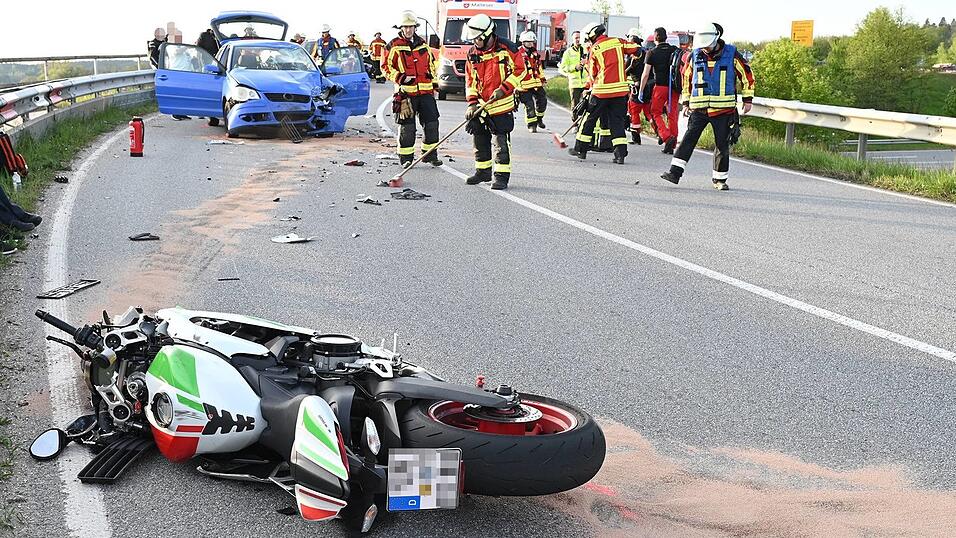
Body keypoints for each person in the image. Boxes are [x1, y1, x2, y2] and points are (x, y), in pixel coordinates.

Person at [661, 23, 755, 191]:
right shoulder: (695, 55)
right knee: (688, 140)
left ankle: (720, 180)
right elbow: (686, 79)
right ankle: (674, 173)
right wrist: (686, 102)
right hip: (699, 109)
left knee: (721, 145)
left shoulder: (731, 54)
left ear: (716, 39)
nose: (705, 48)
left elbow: (747, 75)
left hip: (723, 110)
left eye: (708, 45)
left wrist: (747, 99)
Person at [462, 13, 525, 190]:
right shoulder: (472, 53)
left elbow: (521, 70)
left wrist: (504, 88)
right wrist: (472, 103)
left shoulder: (507, 48)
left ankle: (501, 177)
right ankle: (483, 172)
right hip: (481, 106)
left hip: (502, 105)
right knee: (479, 139)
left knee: (500, 143)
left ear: (487, 34)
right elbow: (470, 80)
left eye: (477, 39)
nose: (475, 42)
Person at [570, 22, 637, 165]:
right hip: (620, 92)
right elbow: (636, 48)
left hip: (601, 92)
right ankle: (620, 155)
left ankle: (580, 150)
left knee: (589, 119)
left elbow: (592, 73)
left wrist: (588, 88)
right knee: (617, 122)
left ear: (593, 34)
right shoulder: (618, 42)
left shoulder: (595, 49)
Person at [382, 11, 443, 168]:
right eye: (405, 27)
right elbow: (385, 67)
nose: (408, 30)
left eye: (411, 27)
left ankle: (430, 155)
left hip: (426, 92)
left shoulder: (423, 44)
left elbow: (431, 64)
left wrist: (434, 83)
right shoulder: (393, 45)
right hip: (405, 93)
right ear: (401, 28)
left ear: (415, 27)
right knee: (407, 128)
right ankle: (406, 159)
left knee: (432, 124)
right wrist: (400, 77)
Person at [639, 27, 680, 154]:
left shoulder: (651, 53)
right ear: (665, 37)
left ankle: (667, 137)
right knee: (672, 114)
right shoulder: (674, 50)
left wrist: (641, 90)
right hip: (674, 87)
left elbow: (646, 74)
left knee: (655, 112)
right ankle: (672, 142)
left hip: (661, 87)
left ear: (655, 37)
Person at [623, 29, 652, 145]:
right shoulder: (647, 53)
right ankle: (661, 134)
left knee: (634, 111)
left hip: (636, 88)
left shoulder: (633, 57)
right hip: (648, 87)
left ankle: (636, 137)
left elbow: (624, 73)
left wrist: (630, 66)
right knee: (648, 112)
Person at [516, 31, 547, 133]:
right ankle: (532, 125)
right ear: (523, 42)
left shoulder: (535, 53)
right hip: (523, 85)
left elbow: (539, 68)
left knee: (542, 102)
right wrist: (514, 85)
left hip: (536, 83)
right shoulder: (517, 53)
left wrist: (543, 79)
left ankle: (539, 119)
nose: (531, 44)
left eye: (532, 42)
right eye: (528, 42)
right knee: (529, 106)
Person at [558, 31, 587, 122]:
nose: (578, 40)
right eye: (576, 38)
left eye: (579, 37)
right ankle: (575, 122)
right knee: (575, 105)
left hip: (586, 83)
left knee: (588, 104)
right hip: (575, 83)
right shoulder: (568, 52)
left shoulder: (586, 50)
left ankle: (584, 123)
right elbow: (563, 67)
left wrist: (586, 62)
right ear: (572, 40)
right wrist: (574, 67)